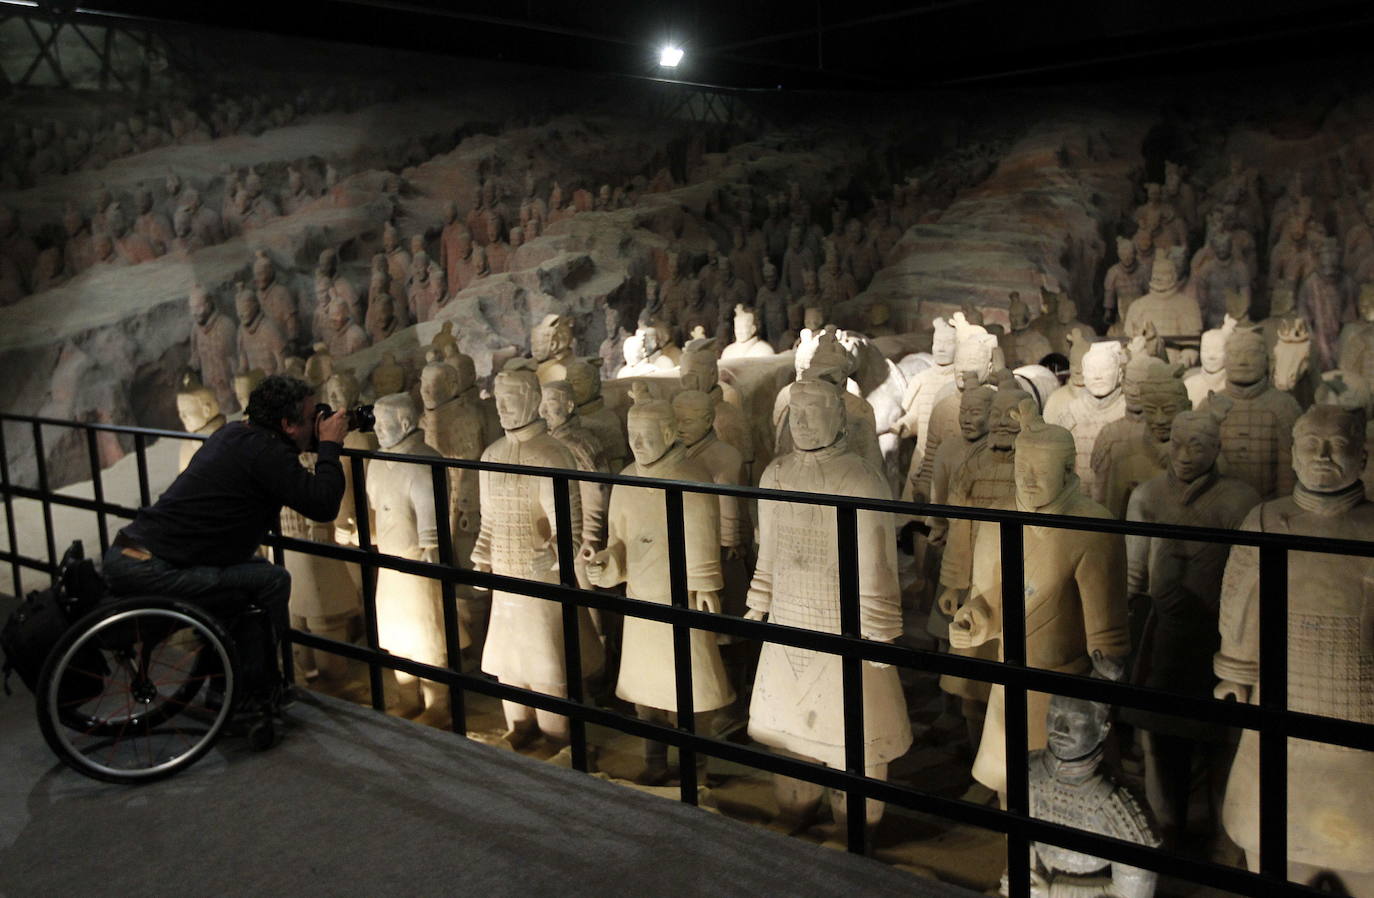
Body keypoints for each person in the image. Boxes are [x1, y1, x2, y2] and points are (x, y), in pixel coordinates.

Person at [102, 375, 349, 701]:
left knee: (247, 577)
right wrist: (330, 444)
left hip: (129, 548)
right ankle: (251, 690)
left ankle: (229, 681)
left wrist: (312, 437)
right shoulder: (267, 454)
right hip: (153, 566)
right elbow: (323, 503)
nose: (316, 421)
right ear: (287, 424)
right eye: (309, 418)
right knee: (271, 579)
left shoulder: (234, 433)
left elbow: (276, 462)